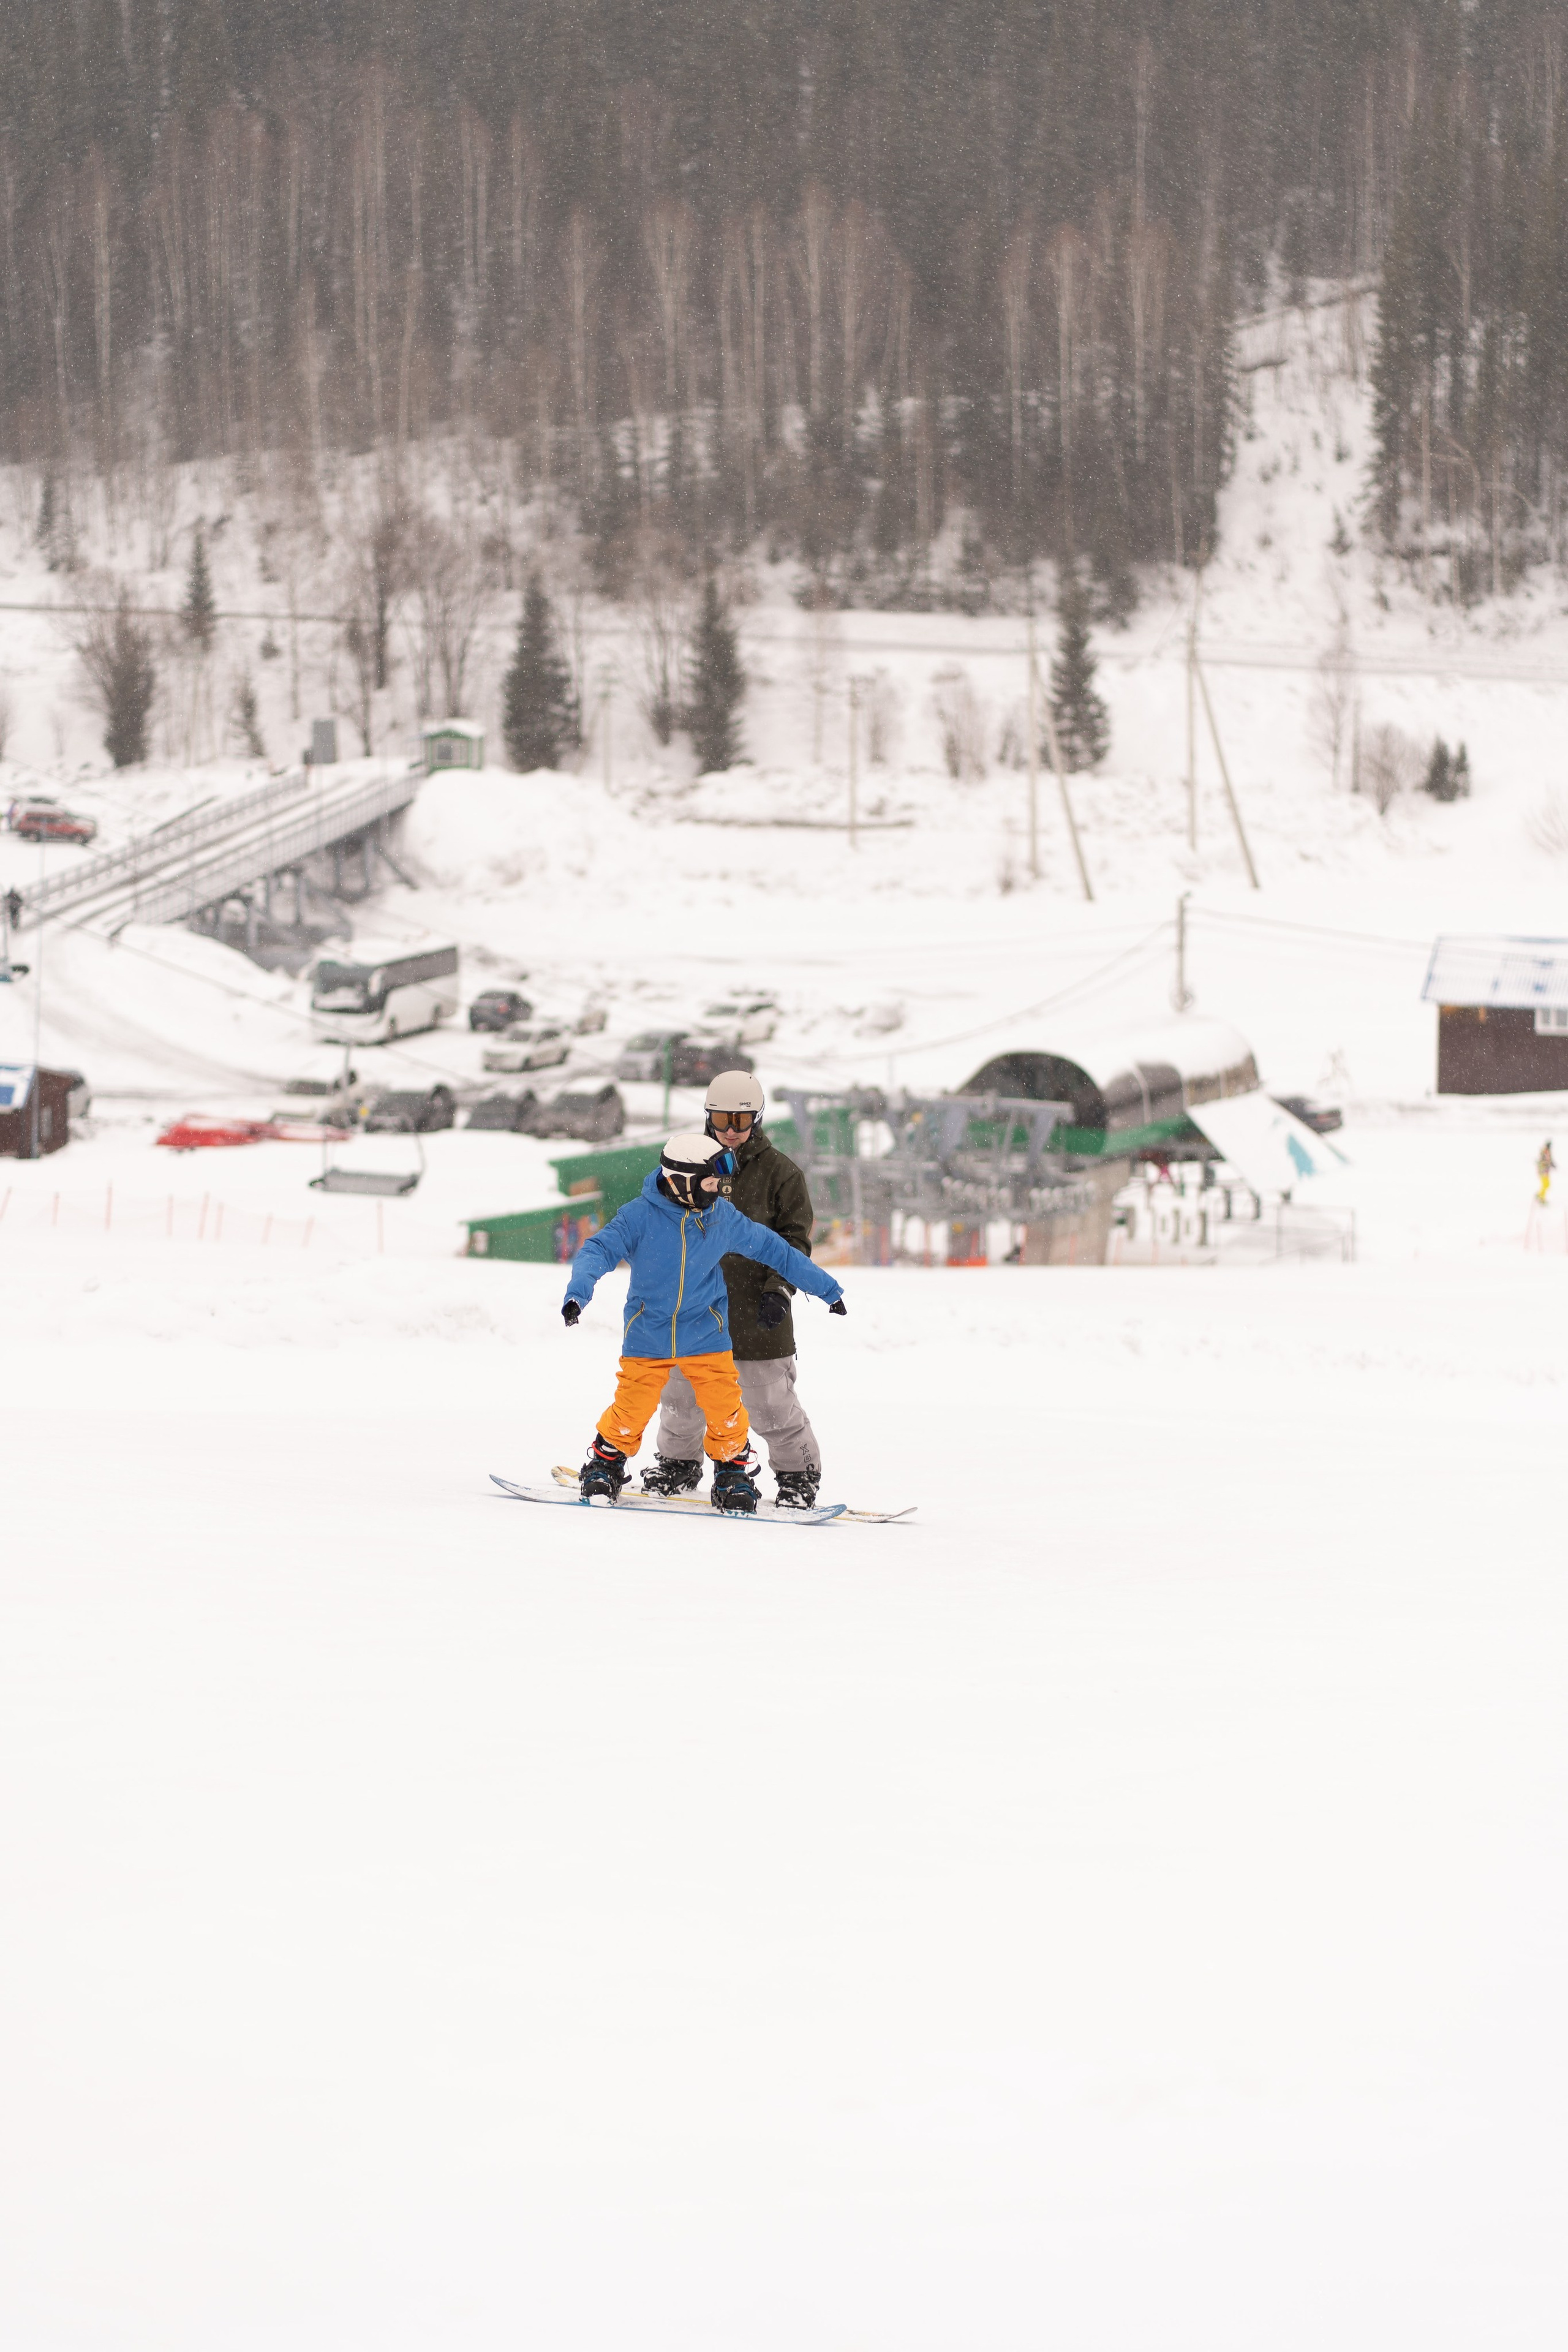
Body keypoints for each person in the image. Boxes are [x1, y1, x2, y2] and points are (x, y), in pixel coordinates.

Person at [562, 1128, 846, 1514]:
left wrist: (827, 1289)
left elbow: (776, 1250)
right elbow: (597, 1250)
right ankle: (604, 1465)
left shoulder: (720, 1218)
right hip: (649, 1332)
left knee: (725, 1407)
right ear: (680, 1182)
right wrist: (578, 1293)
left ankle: (732, 1474)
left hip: (706, 1333)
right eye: (710, 1182)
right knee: (633, 1406)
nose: (718, 1190)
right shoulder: (638, 1217)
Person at [642, 1070, 828, 1509]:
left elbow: (795, 1241)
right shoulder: (683, 1165)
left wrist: (778, 1290)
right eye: (722, 1119)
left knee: (769, 1404)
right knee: (681, 1398)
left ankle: (799, 1474)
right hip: (693, 1308)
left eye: (740, 1122)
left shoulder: (782, 1174)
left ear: (757, 1121)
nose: (730, 1131)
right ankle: (677, 1464)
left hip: (756, 1308)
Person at [1537, 1139, 1555, 1205]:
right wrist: (1549, 1163)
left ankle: (1540, 1195)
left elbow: (1549, 1160)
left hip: (1546, 1171)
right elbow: (1544, 1161)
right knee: (1545, 1184)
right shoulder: (1545, 1151)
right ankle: (1542, 1198)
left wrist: (1552, 1164)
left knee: (1547, 1184)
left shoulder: (1547, 1151)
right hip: (1543, 1171)